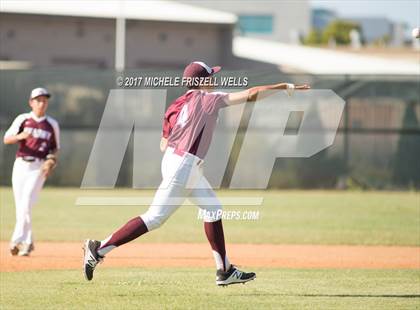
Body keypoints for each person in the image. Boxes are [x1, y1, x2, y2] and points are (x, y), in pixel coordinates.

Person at [83, 61, 310, 285]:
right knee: (154, 218)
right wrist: (282, 87)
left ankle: (225, 270)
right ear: (202, 81)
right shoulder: (208, 99)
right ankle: (98, 249)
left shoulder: (176, 105)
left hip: (177, 161)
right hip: (184, 165)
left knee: (213, 209)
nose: (214, 80)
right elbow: (250, 94)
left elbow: (163, 144)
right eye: (211, 76)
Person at [3, 87, 60, 257]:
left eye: (44, 100)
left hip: (39, 167)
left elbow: (56, 148)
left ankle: (16, 239)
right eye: (38, 100)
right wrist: (21, 136)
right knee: (21, 205)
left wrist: (51, 161)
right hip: (21, 165)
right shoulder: (23, 119)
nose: (42, 103)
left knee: (26, 201)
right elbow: (7, 138)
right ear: (31, 102)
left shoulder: (52, 124)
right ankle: (28, 242)